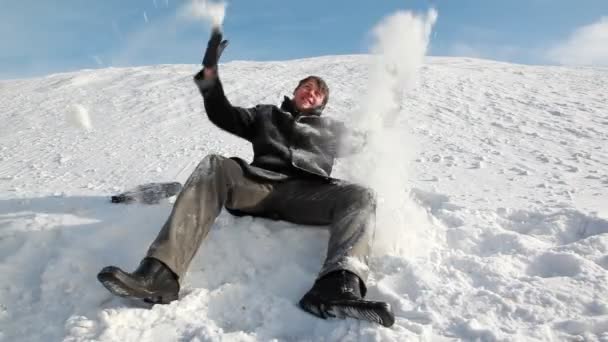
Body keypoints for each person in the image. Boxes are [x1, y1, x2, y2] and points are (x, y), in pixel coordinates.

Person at [97, 27, 395, 327]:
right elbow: (221, 113)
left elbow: (369, 138)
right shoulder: (266, 115)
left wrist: (390, 102)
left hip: (308, 194)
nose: (311, 92)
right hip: (258, 186)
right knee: (216, 164)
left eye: (317, 92)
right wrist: (209, 75)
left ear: (321, 104)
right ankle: (159, 274)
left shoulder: (332, 131)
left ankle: (337, 287)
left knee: (360, 195)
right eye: (306, 86)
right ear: (295, 92)